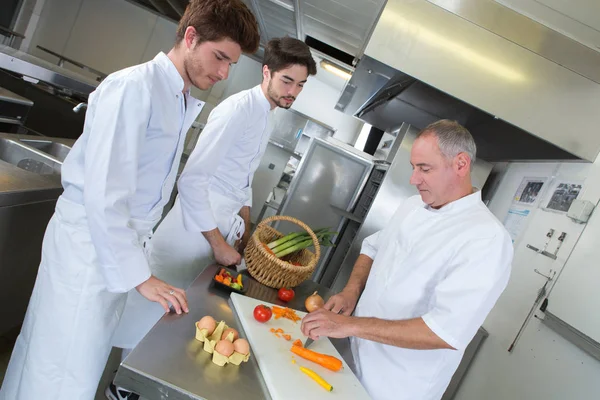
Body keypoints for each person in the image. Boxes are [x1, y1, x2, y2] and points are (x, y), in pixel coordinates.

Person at [0, 1, 260, 400]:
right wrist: (141, 277)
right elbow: (106, 194)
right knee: (62, 369)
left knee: (62, 361)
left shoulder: (176, 97)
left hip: (114, 249)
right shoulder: (134, 88)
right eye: (219, 57)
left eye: (231, 64)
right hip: (87, 248)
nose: (224, 72)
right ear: (191, 37)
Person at [110, 35, 316, 372]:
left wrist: (246, 229)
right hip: (191, 230)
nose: (292, 90)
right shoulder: (237, 109)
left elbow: (244, 178)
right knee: (149, 315)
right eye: (287, 80)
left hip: (218, 227)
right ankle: (122, 383)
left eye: (300, 85)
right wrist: (218, 242)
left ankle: (151, 376)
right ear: (267, 72)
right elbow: (191, 180)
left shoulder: (267, 113)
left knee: (181, 315)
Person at [301, 120, 513, 400]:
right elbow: (373, 248)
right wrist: (351, 292)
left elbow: (444, 332)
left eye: (424, 169)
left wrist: (347, 325)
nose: (414, 179)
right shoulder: (413, 206)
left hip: (396, 387)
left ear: (461, 164)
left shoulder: (487, 239)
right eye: (414, 167)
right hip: (353, 359)